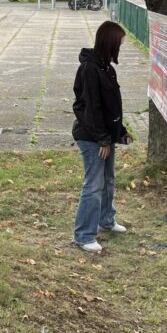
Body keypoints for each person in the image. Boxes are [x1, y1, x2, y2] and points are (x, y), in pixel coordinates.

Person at [71, 20, 132, 253]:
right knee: (94, 184)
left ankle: (106, 219)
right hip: (91, 136)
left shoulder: (107, 67)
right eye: (120, 44)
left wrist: (121, 132)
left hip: (106, 135)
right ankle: (84, 234)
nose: (121, 48)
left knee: (108, 180)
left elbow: (111, 107)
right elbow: (91, 108)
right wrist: (102, 139)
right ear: (110, 42)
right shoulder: (89, 69)